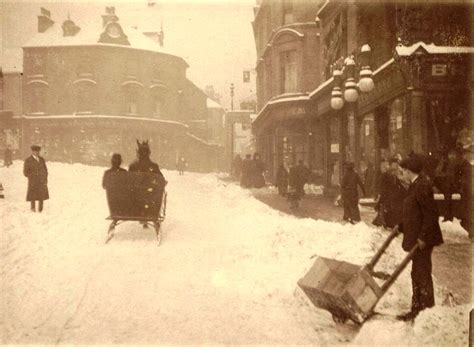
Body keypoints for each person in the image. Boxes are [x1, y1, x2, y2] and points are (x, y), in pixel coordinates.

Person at [396, 155, 444, 321]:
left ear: (409, 171)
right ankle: (418, 309)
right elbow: (413, 210)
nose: (403, 173)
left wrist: (423, 237)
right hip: (417, 236)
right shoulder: (415, 185)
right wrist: (400, 225)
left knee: (422, 272)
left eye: (404, 171)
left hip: (423, 239)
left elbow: (431, 214)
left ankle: (426, 311)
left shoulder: (422, 186)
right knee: (417, 272)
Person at [377, 158, 407, 229]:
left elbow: (398, 184)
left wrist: (405, 193)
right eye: (394, 165)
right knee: (388, 209)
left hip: (395, 195)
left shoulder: (395, 175)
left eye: (396, 165)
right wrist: (381, 193)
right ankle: (387, 223)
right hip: (388, 195)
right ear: (390, 165)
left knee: (395, 210)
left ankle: (392, 223)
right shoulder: (385, 175)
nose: (396, 167)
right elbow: (381, 185)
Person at [23, 145, 49, 212]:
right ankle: (33, 209)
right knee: (32, 196)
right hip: (33, 181)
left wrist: (45, 178)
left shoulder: (42, 160)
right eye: (35, 151)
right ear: (32, 152)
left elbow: (45, 170)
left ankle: (40, 209)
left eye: (38, 151)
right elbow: (25, 172)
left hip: (41, 181)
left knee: (41, 195)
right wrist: (32, 176)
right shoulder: (28, 160)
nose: (37, 153)